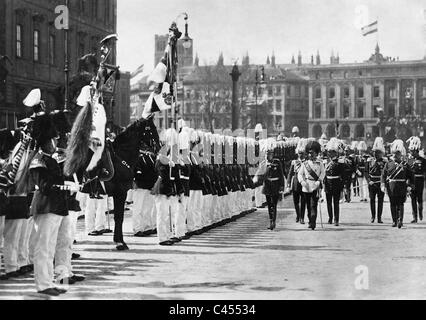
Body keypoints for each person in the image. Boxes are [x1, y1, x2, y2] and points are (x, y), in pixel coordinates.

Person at [29, 114, 74, 296]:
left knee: (53, 246)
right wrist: (66, 186)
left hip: (56, 207)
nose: (56, 142)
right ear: (46, 141)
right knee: (44, 247)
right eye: (53, 139)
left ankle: (49, 280)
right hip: (46, 206)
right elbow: (45, 187)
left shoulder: (51, 159)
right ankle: (42, 284)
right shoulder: (38, 160)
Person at [381, 139, 413, 229]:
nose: (396, 156)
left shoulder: (405, 165)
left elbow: (411, 176)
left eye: (398, 154)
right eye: (394, 154)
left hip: (402, 187)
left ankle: (400, 220)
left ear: (401, 155)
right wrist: (383, 185)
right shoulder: (388, 164)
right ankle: (394, 221)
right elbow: (383, 175)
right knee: (392, 204)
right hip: (392, 187)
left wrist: (410, 186)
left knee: (401, 204)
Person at [298, 140, 325, 231]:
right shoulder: (305, 164)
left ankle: (313, 221)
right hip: (306, 186)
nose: (310, 155)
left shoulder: (320, 163)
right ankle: (310, 220)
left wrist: (319, 181)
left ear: (316, 153)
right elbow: (300, 174)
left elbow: (323, 173)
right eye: (309, 153)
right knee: (308, 206)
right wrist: (302, 182)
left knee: (314, 205)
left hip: (315, 186)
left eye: (312, 153)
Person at [259, 144, 285, 230]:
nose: (267, 155)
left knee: (274, 204)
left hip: (275, 185)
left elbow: (281, 175)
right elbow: (260, 175)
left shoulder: (277, 162)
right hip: (267, 185)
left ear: (272, 154)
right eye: (266, 154)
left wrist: (281, 187)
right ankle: (271, 221)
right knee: (269, 205)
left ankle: (273, 221)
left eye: (269, 153)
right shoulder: (263, 163)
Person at [324, 138, 346, 226]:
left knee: (336, 203)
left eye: (331, 152)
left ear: (335, 152)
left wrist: (342, 186)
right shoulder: (326, 162)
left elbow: (343, 175)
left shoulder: (340, 162)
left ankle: (336, 219)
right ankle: (330, 218)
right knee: (328, 202)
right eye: (329, 151)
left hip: (336, 183)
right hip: (328, 183)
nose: (329, 153)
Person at [365, 138, 387, 223]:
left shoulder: (384, 162)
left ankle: (379, 217)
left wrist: (384, 183)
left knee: (380, 201)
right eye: (375, 152)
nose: (376, 154)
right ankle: (373, 216)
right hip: (372, 182)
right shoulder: (369, 160)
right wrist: (368, 180)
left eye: (378, 152)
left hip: (380, 182)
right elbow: (366, 172)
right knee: (372, 200)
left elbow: (385, 173)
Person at [287, 138, 307, 224]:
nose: (300, 155)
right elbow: (290, 173)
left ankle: (302, 217)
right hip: (295, 183)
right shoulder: (294, 162)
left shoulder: (307, 162)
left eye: (302, 154)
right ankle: (298, 215)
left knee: (303, 201)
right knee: (295, 201)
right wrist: (288, 183)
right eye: (299, 154)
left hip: (304, 182)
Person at [406, 136, 426, 223]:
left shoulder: (423, 160)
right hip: (411, 182)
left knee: (419, 199)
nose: (410, 152)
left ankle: (420, 211)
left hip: (420, 181)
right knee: (413, 199)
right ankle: (415, 217)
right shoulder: (409, 160)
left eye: (411, 151)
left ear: (415, 150)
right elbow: (407, 172)